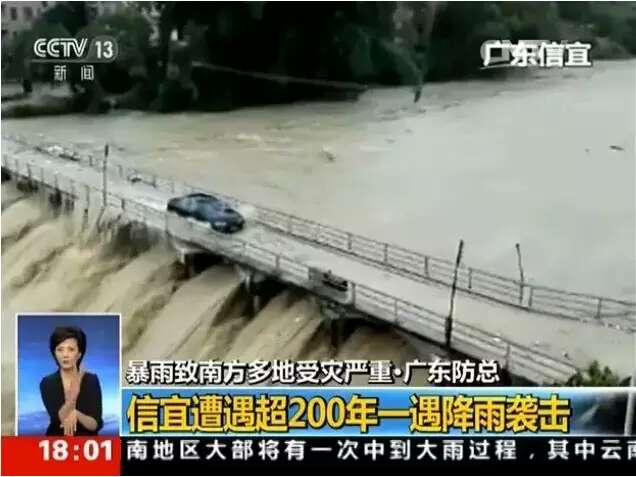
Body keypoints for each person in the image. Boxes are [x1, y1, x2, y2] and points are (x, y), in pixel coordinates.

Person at [39, 326, 103, 436]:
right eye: (60, 349)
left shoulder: (91, 380)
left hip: (88, 445)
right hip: (55, 444)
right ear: (54, 353)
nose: (65, 355)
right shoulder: (47, 383)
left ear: (79, 354)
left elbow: (95, 424)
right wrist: (73, 396)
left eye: (71, 349)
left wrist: (77, 415)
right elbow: (59, 419)